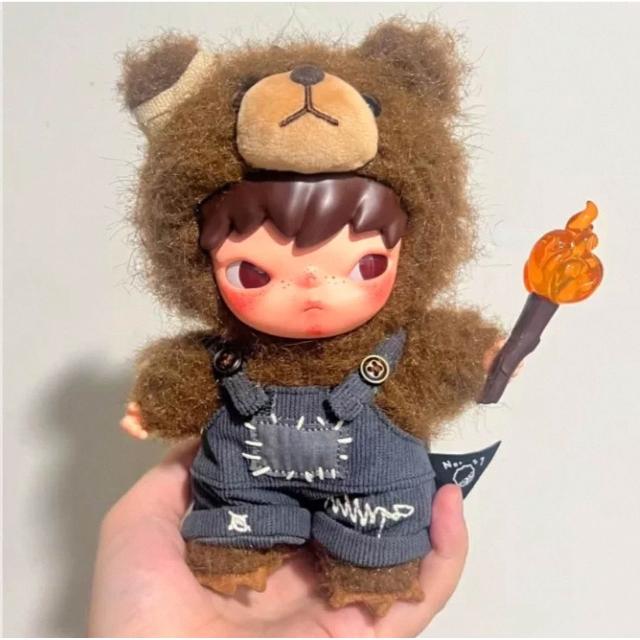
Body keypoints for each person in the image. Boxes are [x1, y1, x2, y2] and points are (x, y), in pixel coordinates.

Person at [88, 439, 469, 637]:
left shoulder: (405, 348)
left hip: (372, 482)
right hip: (246, 478)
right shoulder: (222, 357)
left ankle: (372, 571)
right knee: (228, 542)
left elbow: (445, 358)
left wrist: (482, 356)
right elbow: (181, 374)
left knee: (377, 561)